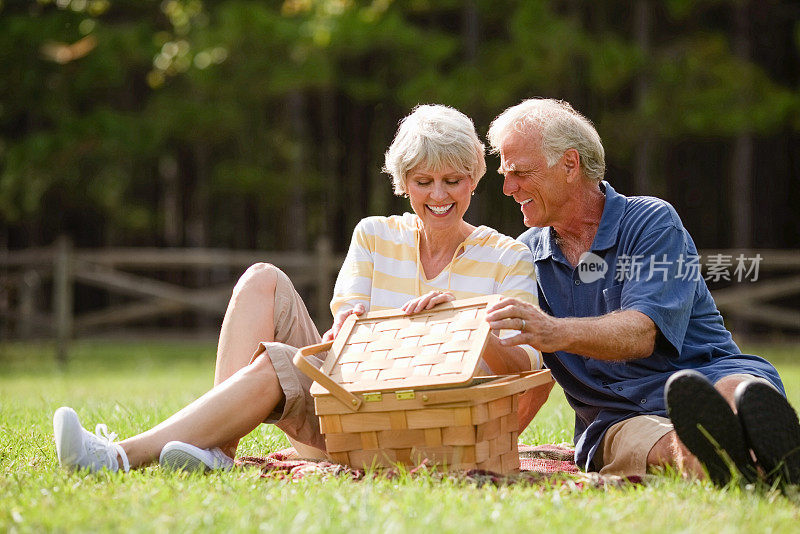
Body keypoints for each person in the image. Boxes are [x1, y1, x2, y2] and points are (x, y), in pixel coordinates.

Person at [53, 104, 550, 474]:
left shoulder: (508, 256)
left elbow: (527, 371)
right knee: (261, 279)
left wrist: (463, 328)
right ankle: (216, 450)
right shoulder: (374, 235)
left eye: (453, 180)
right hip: (348, 416)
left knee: (278, 362)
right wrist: (391, 328)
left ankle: (118, 457)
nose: (439, 195)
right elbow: (343, 335)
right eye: (424, 181)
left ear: (475, 180)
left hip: (432, 434)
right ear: (403, 183)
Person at [483, 97, 800, 488]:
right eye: (505, 173)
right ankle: (764, 464)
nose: (507, 187)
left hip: (707, 374)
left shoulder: (651, 221)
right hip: (620, 417)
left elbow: (641, 333)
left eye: (520, 172)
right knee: (674, 444)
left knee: (736, 392)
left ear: (569, 164)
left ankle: (751, 455)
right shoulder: (524, 256)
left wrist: (551, 331)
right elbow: (530, 371)